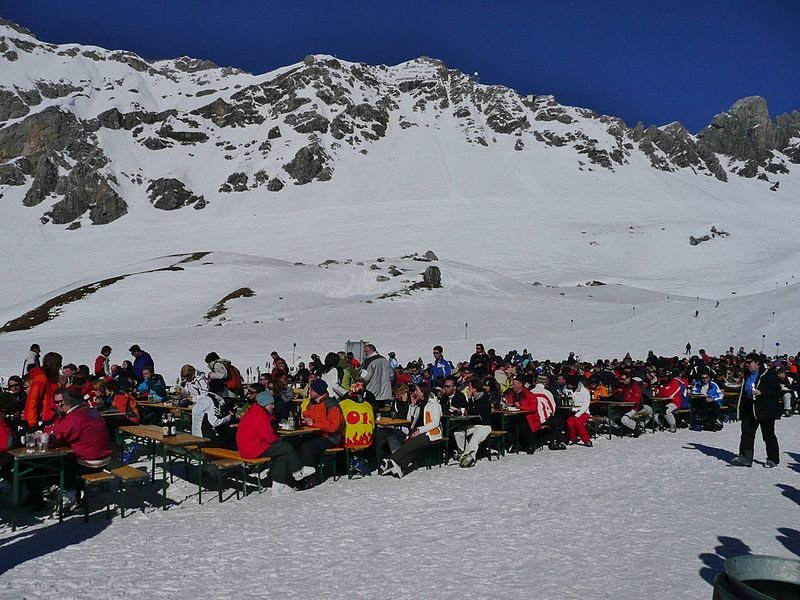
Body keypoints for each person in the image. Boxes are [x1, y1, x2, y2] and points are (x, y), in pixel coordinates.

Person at [236, 390, 314, 494]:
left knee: (282, 454)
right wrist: (279, 439)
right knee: (286, 446)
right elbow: (269, 437)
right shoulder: (260, 416)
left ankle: (278, 485)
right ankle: (298, 471)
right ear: (264, 404)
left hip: (248, 447)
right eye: (271, 404)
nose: (273, 406)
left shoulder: (254, 412)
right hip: (253, 449)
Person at [52, 388, 113, 504]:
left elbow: (57, 437)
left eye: (59, 402)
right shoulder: (91, 411)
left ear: (67, 402)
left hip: (89, 463)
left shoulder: (73, 417)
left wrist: (58, 419)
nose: (57, 406)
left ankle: (69, 491)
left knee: (56, 462)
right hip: (105, 459)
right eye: (56, 402)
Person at [380, 383, 441, 478]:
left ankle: (391, 459)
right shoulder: (419, 404)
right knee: (411, 444)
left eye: (417, 391)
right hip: (418, 430)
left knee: (412, 442)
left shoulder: (434, 404)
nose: (415, 393)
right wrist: (412, 405)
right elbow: (410, 420)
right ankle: (401, 467)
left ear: (423, 392)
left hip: (431, 433)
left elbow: (435, 423)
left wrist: (419, 431)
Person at [733, 354, 782, 468]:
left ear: (757, 363)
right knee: (747, 433)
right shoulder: (746, 374)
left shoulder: (768, 374)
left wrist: (762, 392)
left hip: (765, 408)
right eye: (746, 362)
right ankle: (746, 457)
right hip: (749, 407)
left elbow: (776, 390)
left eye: (749, 362)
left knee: (768, 435)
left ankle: (773, 459)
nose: (747, 364)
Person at [297, 380, 343, 478]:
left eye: (312, 390)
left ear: (319, 391)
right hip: (315, 434)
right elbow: (306, 414)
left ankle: (309, 475)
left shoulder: (331, 405)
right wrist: (303, 420)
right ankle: (297, 470)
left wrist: (313, 423)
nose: (309, 392)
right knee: (294, 442)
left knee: (308, 446)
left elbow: (334, 426)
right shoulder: (311, 403)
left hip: (330, 437)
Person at [454, 379, 492, 467]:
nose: (468, 388)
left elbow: (474, 411)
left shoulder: (483, 398)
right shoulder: (475, 399)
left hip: (484, 425)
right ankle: (465, 453)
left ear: (475, 389)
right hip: (475, 424)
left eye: (470, 387)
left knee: (474, 441)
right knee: (458, 434)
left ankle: (470, 457)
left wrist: (470, 399)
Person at [192, 379, 234, 448]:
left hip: (195, 435)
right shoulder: (213, 401)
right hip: (205, 440)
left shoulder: (202, 399)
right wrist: (229, 417)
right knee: (232, 436)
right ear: (220, 391)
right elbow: (215, 422)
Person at [24, 351, 62, 427]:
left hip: (51, 418)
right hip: (43, 420)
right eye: (59, 364)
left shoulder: (51, 378)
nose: (60, 366)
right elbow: (33, 400)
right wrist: (32, 423)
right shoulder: (41, 378)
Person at [564, 375, 592, 447]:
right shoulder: (567, 390)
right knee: (569, 422)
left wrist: (578, 414)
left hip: (583, 412)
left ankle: (586, 440)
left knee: (578, 422)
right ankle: (573, 438)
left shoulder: (584, 391)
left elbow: (586, 404)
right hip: (573, 411)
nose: (568, 385)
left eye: (569, 384)